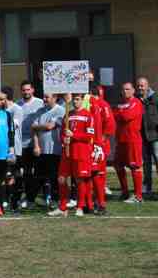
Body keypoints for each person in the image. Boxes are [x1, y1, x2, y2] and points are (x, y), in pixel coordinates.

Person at [49, 93, 95, 218]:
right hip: (67, 153)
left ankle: (80, 206)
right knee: (62, 179)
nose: (75, 102)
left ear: (82, 100)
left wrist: (73, 135)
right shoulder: (68, 114)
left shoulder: (88, 115)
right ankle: (62, 207)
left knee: (80, 180)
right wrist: (64, 139)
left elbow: (89, 136)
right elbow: (63, 132)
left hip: (81, 152)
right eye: (73, 99)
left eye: (77, 99)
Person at [32, 93, 65, 210]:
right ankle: (36, 199)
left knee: (54, 177)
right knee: (39, 176)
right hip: (41, 149)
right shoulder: (40, 111)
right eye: (44, 97)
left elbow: (51, 126)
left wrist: (39, 126)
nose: (44, 99)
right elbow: (33, 128)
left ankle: (56, 200)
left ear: (55, 98)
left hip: (55, 149)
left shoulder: (60, 110)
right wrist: (36, 145)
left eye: (47, 97)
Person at [114, 82, 144, 204]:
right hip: (121, 139)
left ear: (133, 91)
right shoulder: (121, 104)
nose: (125, 91)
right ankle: (125, 192)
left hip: (133, 139)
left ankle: (138, 196)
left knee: (135, 166)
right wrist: (119, 112)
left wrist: (119, 112)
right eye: (123, 89)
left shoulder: (136, 102)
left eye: (128, 89)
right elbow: (114, 115)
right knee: (118, 165)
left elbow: (127, 117)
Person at [17, 80, 44, 209]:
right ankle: (27, 197)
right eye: (24, 90)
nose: (26, 92)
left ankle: (43, 196)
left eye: (28, 90)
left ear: (32, 90)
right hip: (22, 144)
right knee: (26, 172)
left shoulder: (40, 103)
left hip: (37, 143)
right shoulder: (18, 104)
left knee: (39, 172)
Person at [89, 84, 114, 214]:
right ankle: (90, 201)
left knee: (98, 173)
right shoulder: (84, 104)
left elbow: (110, 124)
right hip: (88, 144)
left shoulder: (102, 105)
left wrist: (102, 139)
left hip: (98, 145)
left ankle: (100, 202)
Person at [2, 86, 23, 211]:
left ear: (6, 97)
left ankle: (13, 201)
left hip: (14, 148)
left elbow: (13, 125)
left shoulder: (17, 109)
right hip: (2, 148)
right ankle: (4, 200)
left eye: (0, 98)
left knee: (13, 175)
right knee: (3, 175)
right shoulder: (0, 111)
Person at [136, 77, 158, 197]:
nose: (140, 88)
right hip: (142, 137)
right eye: (138, 86)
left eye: (142, 86)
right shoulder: (136, 100)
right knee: (146, 163)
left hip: (155, 136)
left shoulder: (155, 98)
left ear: (147, 86)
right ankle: (147, 186)